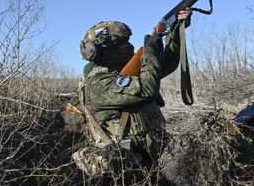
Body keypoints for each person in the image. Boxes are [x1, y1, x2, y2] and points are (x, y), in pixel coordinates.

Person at [73, 9, 192, 176]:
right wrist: (150, 51)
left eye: (127, 41)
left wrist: (176, 32)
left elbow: (166, 65)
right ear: (102, 52)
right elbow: (147, 89)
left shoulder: (120, 72)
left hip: (148, 158)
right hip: (126, 171)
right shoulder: (98, 85)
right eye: (122, 43)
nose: (129, 46)